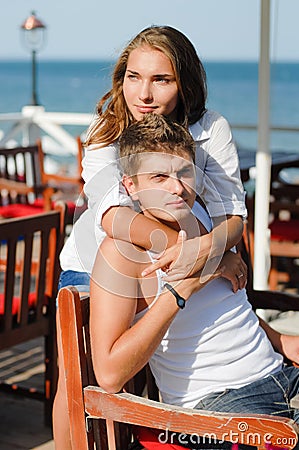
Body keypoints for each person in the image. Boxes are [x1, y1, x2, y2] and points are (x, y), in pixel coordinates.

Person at [53, 25, 248, 447]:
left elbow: (233, 214)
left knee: (159, 368)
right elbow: (114, 217)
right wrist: (200, 254)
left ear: (185, 83)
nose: (143, 93)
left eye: (161, 79)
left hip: (179, 266)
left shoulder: (210, 130)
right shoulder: (107, 129)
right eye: (133, 77)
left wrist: (208, 249)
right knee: (78, 379)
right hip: (96, 265)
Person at [90, 114, 299, 450]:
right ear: (131, 186)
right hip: (216, 407)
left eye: (184, 173)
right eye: (159, 176)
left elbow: (225, 309)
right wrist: (180, 289)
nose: (176, 188)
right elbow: (110, 374)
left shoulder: (203, 220)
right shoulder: (120, 254)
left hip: (280, 374)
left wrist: (277, 338)